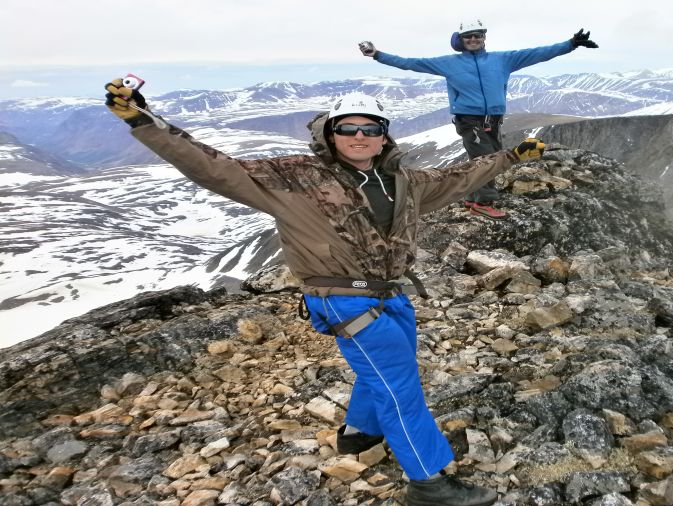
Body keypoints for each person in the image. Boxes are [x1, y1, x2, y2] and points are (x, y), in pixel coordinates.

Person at [105, 80, 545, 506]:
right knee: (399, 387)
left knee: (388, 370)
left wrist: (510, 157)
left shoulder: (405, 181)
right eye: (347, 127)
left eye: (370, 128)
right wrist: (143, 122)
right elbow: (215, 166)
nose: (359, 136)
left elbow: (460, 176)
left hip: (390, 295)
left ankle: (359, 434)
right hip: (343, 299)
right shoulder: (292, 178)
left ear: (383, 135)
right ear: (329, 134)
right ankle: (428, 482)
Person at [359, 20, 597, 219]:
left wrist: (571, 44)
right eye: (468, 36)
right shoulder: (448, 63)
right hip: (468, 119)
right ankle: (484, 202)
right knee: (485, 158)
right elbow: (410, 63)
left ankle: (473, 198)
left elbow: (537, 54)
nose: (473, 39)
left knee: (493, 155)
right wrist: (377, 55)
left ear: (484, 37)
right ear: (460, 40)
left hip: (493, 118)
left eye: (477, 35)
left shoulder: (503, 59)